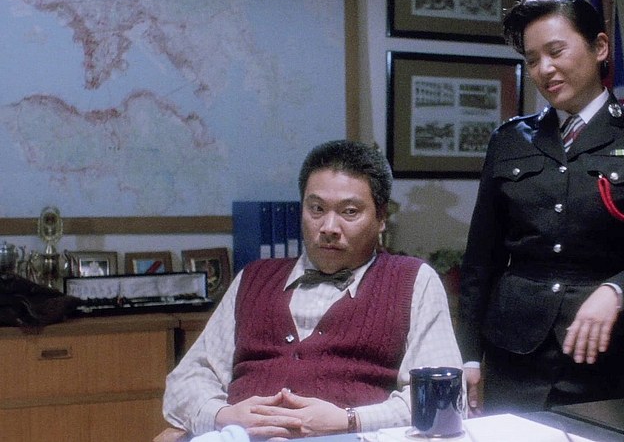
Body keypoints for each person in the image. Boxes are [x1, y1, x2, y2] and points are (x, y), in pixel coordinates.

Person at [457, 0, 624, 415]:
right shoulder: (509, 140)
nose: (544, 69)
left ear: (600, 47)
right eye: (532, 60)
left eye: (555, 51)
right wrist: (468, 355)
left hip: (610, 360)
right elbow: (482, 260)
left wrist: (618, 291)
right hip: (513, 358)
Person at [163, 140, 463, 439]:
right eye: (316, 209)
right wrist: (222, 415)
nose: (329, 227)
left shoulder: (412, 281)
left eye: (349, 212)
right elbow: (186, 380)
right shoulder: (253, 278)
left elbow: (441, 398)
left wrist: (350, 420)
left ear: (381, 217)